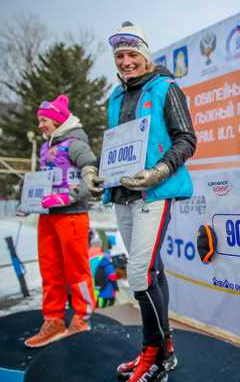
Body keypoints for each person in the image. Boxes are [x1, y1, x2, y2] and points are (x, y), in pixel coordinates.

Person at [81, 21, 196, 382]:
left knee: (140, 274)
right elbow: (116, 146)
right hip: (123, 193)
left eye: (132, 54)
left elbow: (186, 139)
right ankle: (165, 349)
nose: (126, 61)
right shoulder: (115, 97)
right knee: (151, 271)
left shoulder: (165, 88)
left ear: (145, 55)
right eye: (120, 56)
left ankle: (152, 356)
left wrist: (159, 171)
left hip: (154, 192)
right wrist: (96, 171)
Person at [24, 94, 97, 348]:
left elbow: (93, 177)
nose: (40, 125)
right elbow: (44, 181)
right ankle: (53, 320)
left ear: (57, 120)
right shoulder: (46, 146)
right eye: (40, 121)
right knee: (50, 269)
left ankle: (82, 317)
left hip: (72, 216)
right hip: (48, 217)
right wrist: (29, 202)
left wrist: (67, 197)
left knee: (76, 270)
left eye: (44, 120)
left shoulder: (76, 144)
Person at [88, 235, 118, 308]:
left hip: (89, 285)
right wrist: (115, 285)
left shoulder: (86, 255)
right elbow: (111, 273)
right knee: (104, 305)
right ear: (100, 245)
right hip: (103, 285)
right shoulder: (104, 256)